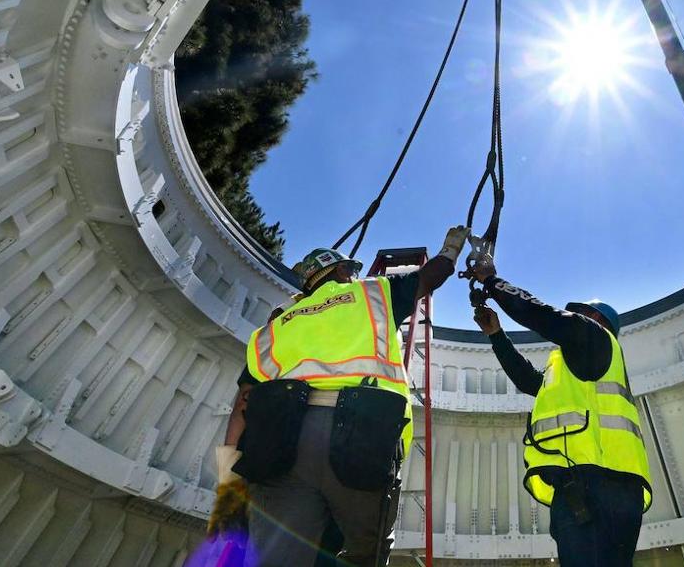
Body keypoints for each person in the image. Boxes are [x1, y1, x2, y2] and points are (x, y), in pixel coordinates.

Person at [213, 226, 470, 566]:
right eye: (351, 269)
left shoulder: (275, 326)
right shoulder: (371, 295)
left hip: (280, 446)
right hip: (360, 437)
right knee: (363, 554)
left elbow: (242, 408)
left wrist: (228, 483)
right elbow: (431, 277)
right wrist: (451, 249)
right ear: (339, 270)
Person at [468, 257, 652, 567]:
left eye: (577, 313)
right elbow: (530, 381)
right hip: (603, 486)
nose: (573, 316)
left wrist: (492, 282)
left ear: (594, 318)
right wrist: (496, 336)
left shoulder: (595, 337)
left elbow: (545, 316)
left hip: (594, 483)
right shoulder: (576, 371)